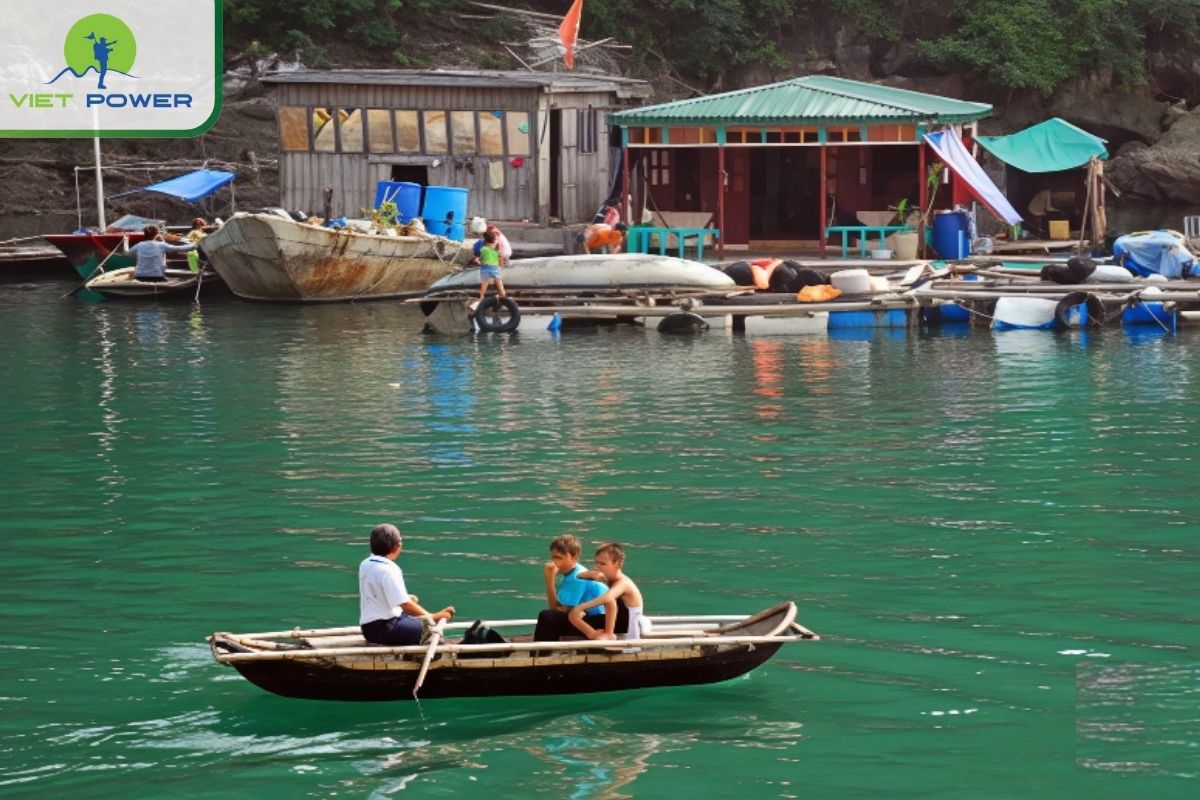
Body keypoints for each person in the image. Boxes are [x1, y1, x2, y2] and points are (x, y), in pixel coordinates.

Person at [358, 523, 455, 646]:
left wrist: (407, 597)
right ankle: (431, 624)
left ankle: (428, 620)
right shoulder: (389, 569)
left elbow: (380, 592)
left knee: (411, 617)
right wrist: (431, 617)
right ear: (396, 546)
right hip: (384, 628)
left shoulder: (366, 563)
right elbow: (405, 605)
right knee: (424, 629)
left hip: (368, 628)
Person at [532, 533, 610, 642]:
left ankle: (540, 655)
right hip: (583, 618)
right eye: (553, 557)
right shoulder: (569, 574)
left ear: (575, 557)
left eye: (559, 558)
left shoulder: (578, 576)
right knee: (550, 616)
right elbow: (558, 607)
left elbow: (555, 608)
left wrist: (549, 579)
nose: (555, 562)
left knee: (547, 617)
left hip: (598, 621)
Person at [569, 543, 645, 641]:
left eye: (603, 564)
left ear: (617, 564)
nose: (598, 567)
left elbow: (608, 598)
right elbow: (579, 576)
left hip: (627, 641)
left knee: (571, 617)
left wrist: (581, 607)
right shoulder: (609, 579)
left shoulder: (623, 583)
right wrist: (590, 574)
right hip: (618, 630)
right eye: (597, 563)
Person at [129, 225, 197, 282]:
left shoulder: (139, 245)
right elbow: (179, 248)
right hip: (156, 276)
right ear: (157, 234)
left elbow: (128, 253)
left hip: (139, 276)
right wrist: (194, 245)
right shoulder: (161, 245)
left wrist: (126, 242)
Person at [476, 230, 507, 303]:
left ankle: (481, 296)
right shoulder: (497, 250)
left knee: (484, 283)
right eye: (496, 240)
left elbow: (481, 259)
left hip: (485, 268)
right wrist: (501, 263)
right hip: (495, 267)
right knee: (499, 282)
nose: (497, 241)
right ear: (493, 241)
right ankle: (503, 294)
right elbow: (500, 260)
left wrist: (479, 261)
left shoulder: (483, 249)